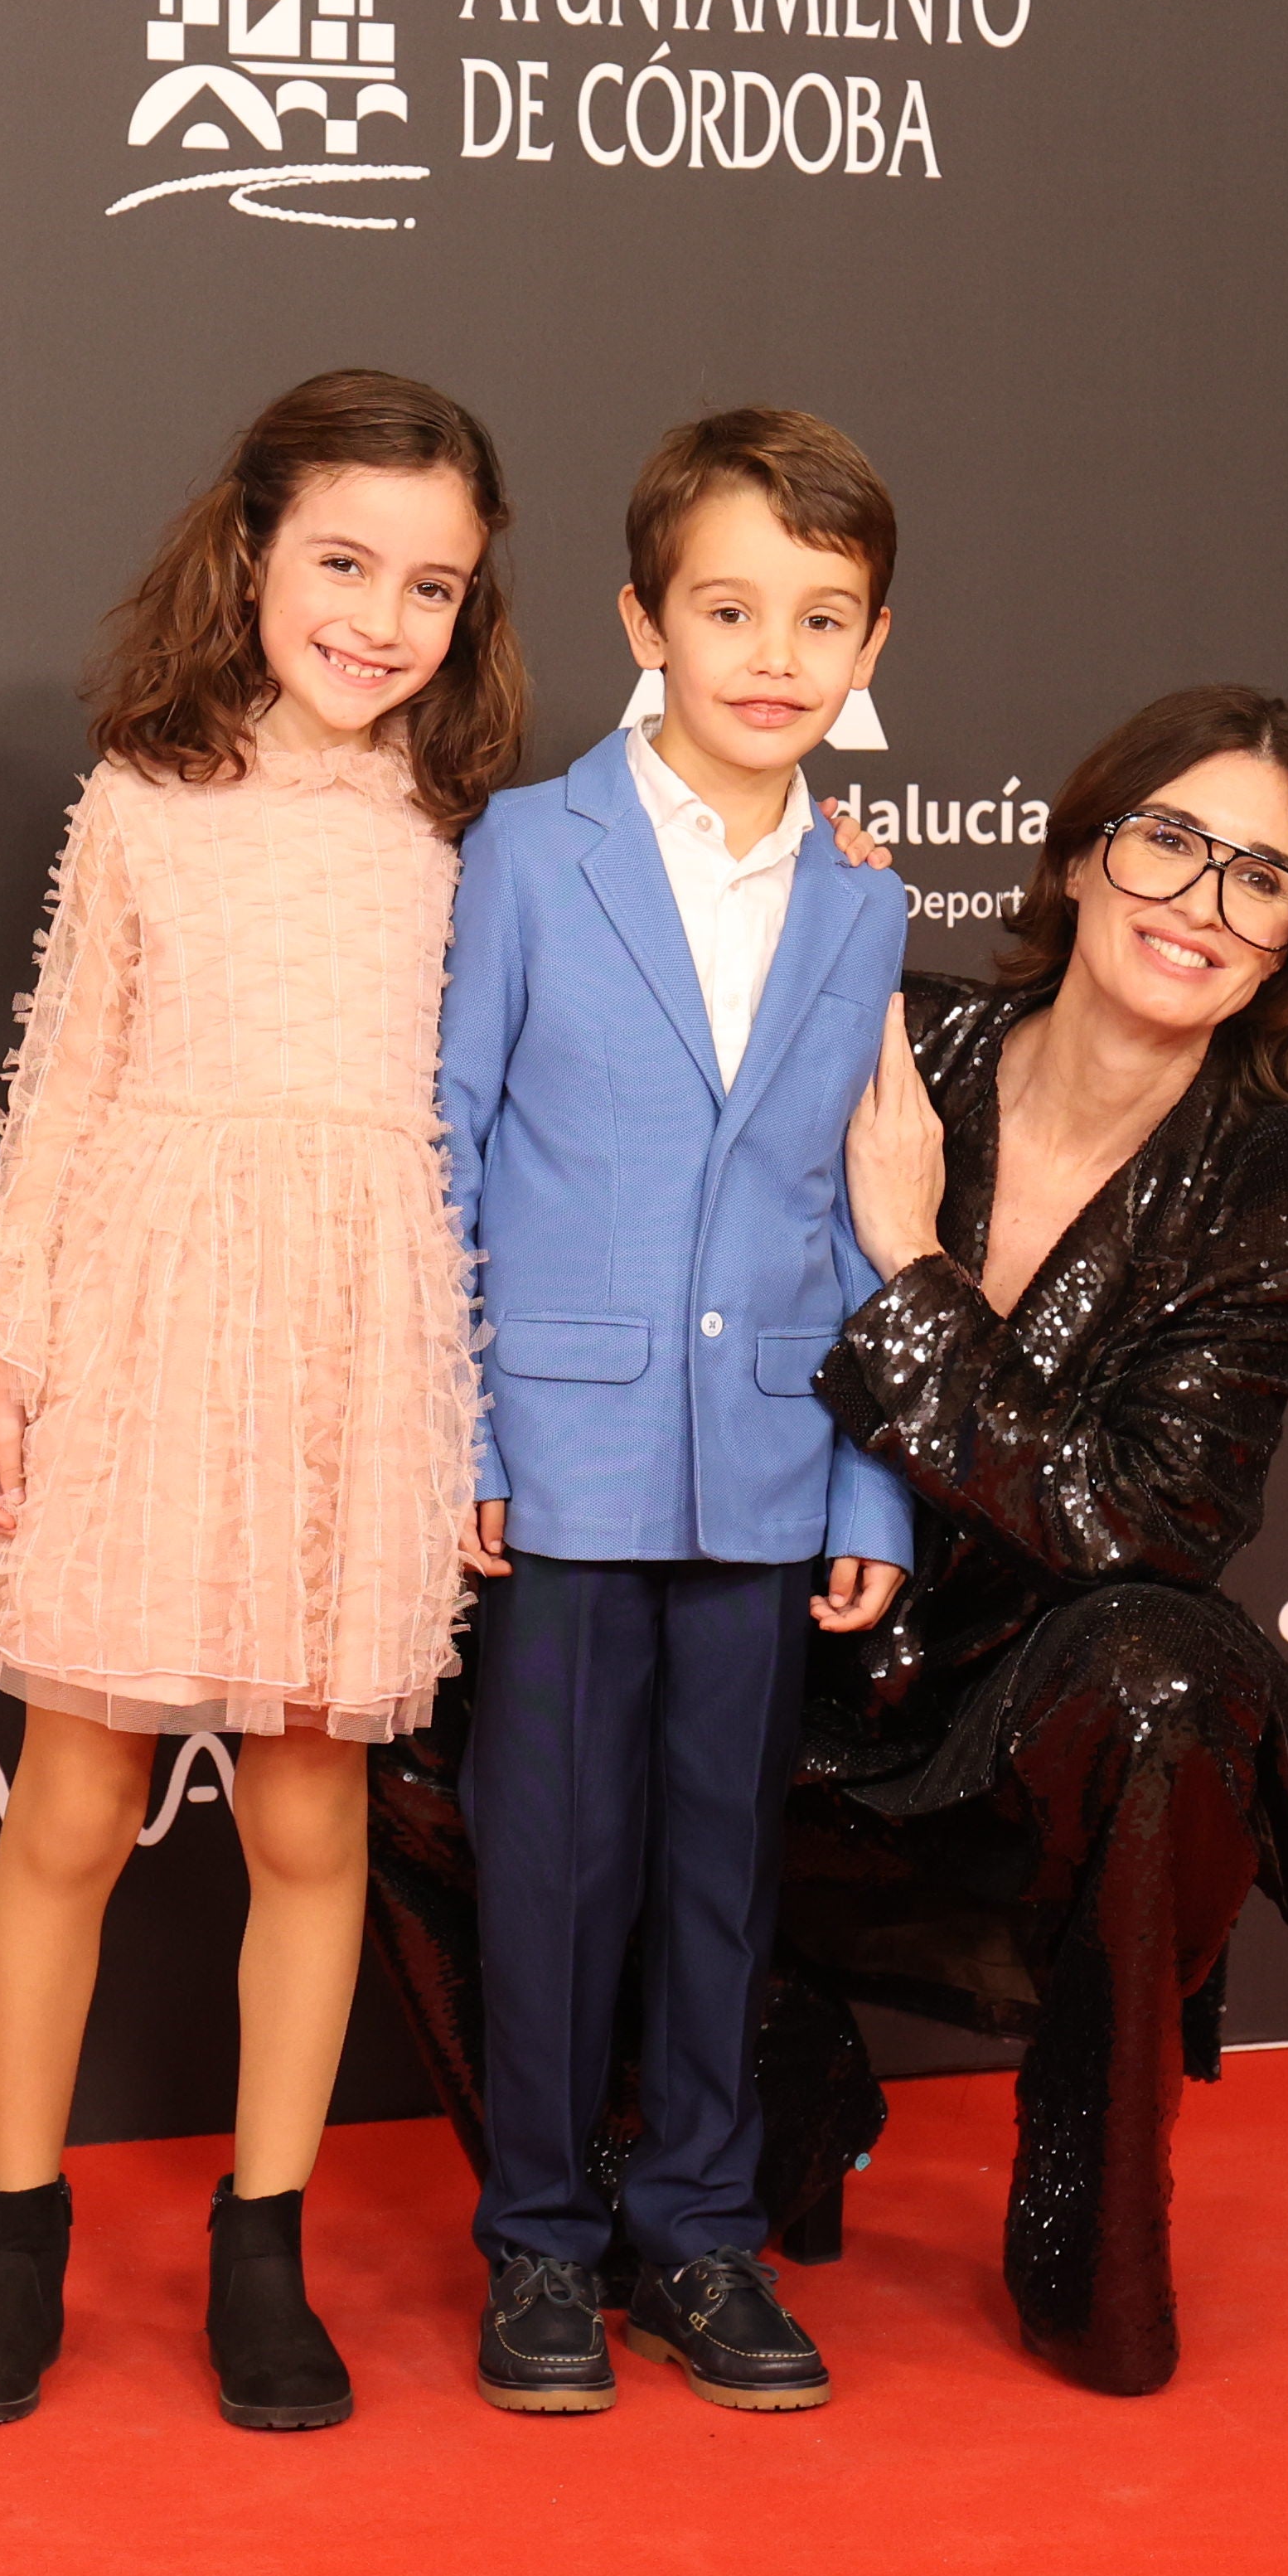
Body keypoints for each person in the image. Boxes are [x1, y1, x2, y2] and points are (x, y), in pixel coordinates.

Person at [0, 370, 526, 2432]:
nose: (381, 617)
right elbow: (64, 1089)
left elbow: (514, 1127)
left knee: (311, 1814)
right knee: (67, 1807)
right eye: (344, 562)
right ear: (252, 552)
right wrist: (4, 1343)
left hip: (361, 1336)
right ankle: (16, 2236)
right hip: (155, 1318)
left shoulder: (467, 830)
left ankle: (268, 2248)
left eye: (433, 584)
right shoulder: (141, 797)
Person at [798, 681, 1288, 2392]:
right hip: (756, 1673)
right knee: (429, 1682)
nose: (1200, 904)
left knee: (1174, 1672)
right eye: (1168, 841)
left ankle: (1087, 2220)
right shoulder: (878, 1034)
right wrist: (804, 909)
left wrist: (918, 1276)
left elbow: (1135, 1517)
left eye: (1259, 879)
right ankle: (750, 2086)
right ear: (1078, 856)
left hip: (1017, 1728)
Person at [428, 410, 916, 2418]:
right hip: (557, 1466)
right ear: (646, 619)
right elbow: (439, 1154)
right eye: (729, 607)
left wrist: (875, 1489)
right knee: (549, 1868)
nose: (773, 653)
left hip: (772, 1476)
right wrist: (454, 1442)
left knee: (727, 1871)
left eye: (822, 616)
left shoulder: (867, 907)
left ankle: (699, 2232)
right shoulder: (526, 851)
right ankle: (539, 2244)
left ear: (874, 648)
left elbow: (877, 1213)